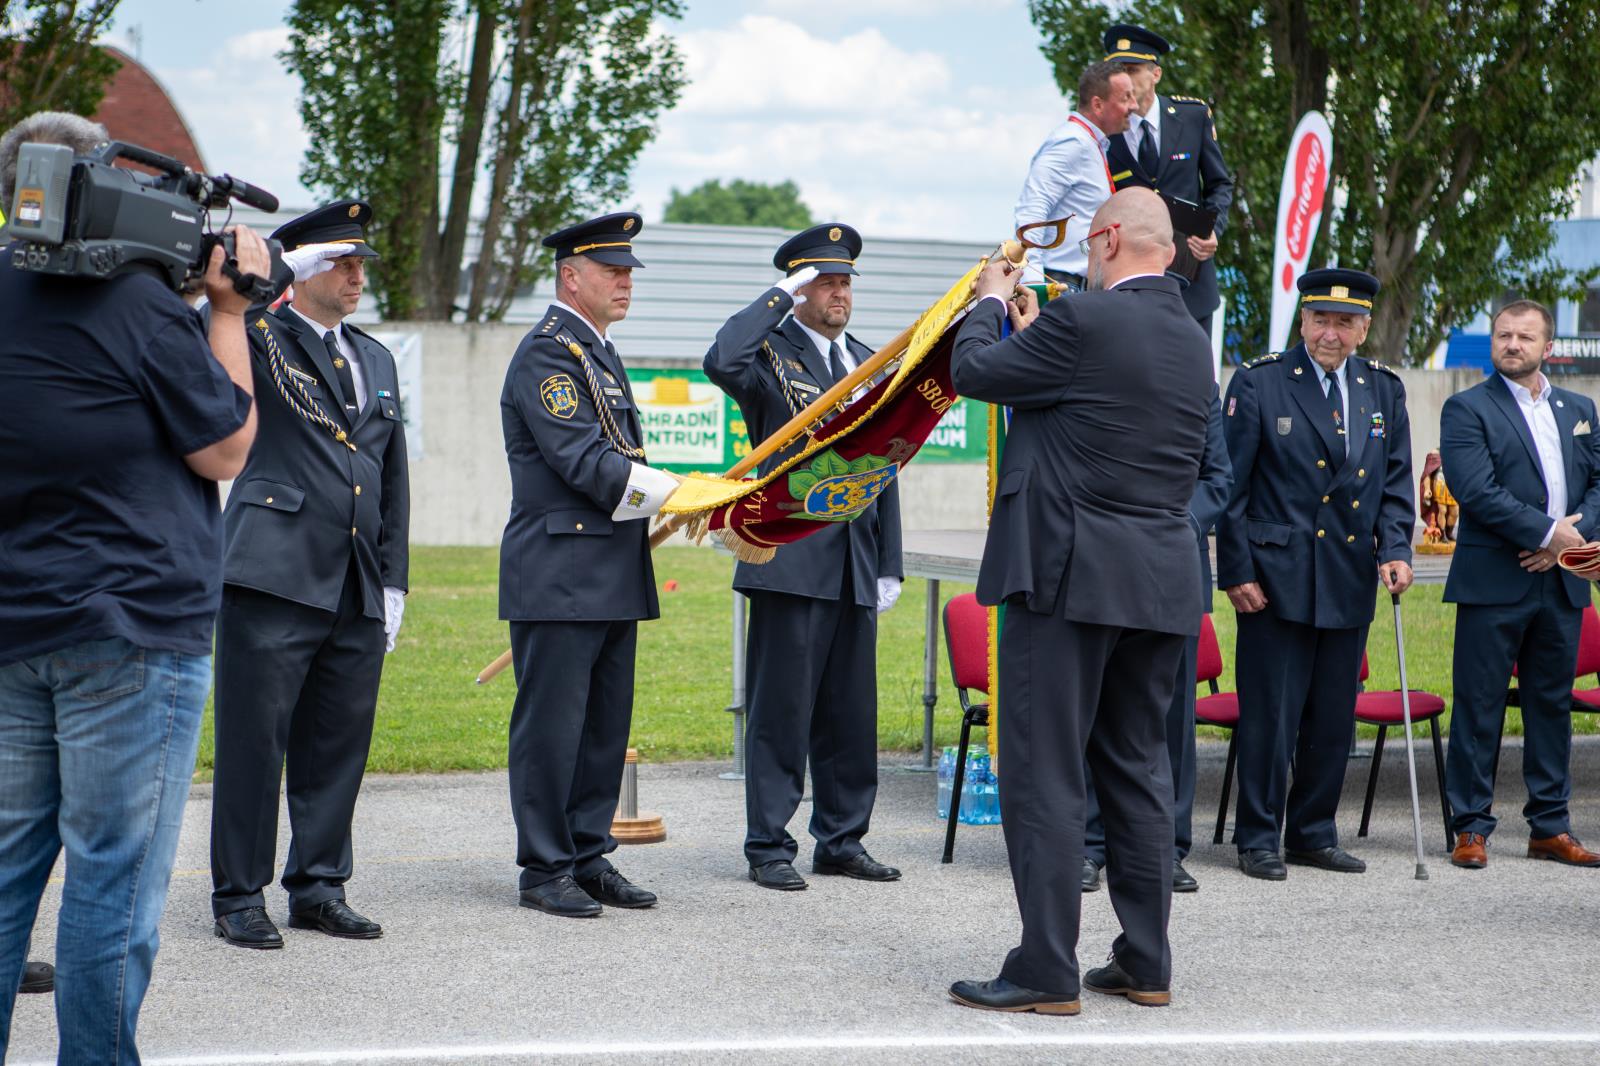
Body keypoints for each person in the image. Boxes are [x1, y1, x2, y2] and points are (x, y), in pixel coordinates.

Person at [0, 110, 261, 1062]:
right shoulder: (138, 304)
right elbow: (226, 443)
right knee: (113, 880)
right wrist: (227, 312)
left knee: (5, 878)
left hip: (15, 628)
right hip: (132, 629)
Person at [947, 188, 1212, 1015]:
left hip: (1066, 578)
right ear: (1166, 250)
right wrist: (1035, 331)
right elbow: (1082, 410)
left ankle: (1045, 968)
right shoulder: (1190, 339)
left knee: (1045, 772)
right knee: (1136, 770)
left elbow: (973, 372)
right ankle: (1145, 960)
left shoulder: (1085, 320)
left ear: (1104, 239)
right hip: (1159, 581)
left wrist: (988, 303)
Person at [210, 201, 412, 948]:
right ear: (309, 269)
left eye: (361, 263)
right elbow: (223, 313)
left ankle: (320, 885)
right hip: (274, 573)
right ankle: (238, 894)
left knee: (337, 744)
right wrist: (281, 268)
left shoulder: (376, 358)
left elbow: (389, 478)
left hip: (354, 579)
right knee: (254, 744)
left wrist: (393, 580)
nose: (358, 275)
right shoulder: (260, 336)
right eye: (344, 262)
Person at [703, 223, 905, 893]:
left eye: (845, 279)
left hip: (853, 561)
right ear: (798, 289)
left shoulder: (872, 361)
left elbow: (885, 466)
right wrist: (775, 299)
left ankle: (843, 839)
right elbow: (719, 361)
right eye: (824, 280)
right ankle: (769, 845)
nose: (840, 291)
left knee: (852, 714)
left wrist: (889, 561)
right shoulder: (769, 354)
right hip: (790, 561)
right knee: (781, 714)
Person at [501, 212, 680, 918]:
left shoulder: (597, 351)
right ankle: (544, 867)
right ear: (570, 277)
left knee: (604, 725)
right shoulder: (549, 353)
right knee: (553, 727)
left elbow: (619, 461)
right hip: (560, 570)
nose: (626, 282)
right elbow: (582, 459)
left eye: (630, 271)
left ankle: (586, 853)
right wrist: (675, 493)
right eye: (613, 271)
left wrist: (669, 496)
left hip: (607, 568)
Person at [1217, 268, 1415, 882]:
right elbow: (1229, 486)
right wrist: (1236, 569)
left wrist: (1398, 547)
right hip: (1275, 578)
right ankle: (1258, 838)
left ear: (1363, 328)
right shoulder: (1261, 383)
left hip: (1348, 574)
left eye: (1345, 322)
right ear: (1303, 321)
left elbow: (1396, 482)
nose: (1332, 333)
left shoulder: (1383, 390)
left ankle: (1312, 832)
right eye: (1321, 320)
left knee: (1332, 716)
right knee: (1271, 717)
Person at [1440, 299, 1600, 869]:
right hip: (1493, 581)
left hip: (1561, 584)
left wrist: (1570, 542)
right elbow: (1475, 490)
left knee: (1551, 705)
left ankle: (1550, 827)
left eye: (1524, 337)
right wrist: (1545, 534)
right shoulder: (1466, 408)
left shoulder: (1580, 408)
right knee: (1479, 706)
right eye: (1503, 334)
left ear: (1548, 348)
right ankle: (1470, 827)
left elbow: (1598, 483)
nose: (1511, 344)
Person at [1082, 378, 1230, 895]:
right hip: (1102, 567)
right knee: (1093, 707)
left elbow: (1218, 477)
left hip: (1173, 570)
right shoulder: (1092, 374)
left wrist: (1172, 523)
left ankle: (1164, 846)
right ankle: (1089, 843)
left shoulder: (1198, 386)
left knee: (1170, 717)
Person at [1101, 23, 1234, 336]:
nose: (1124, 80)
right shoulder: (1104, 133)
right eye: (1116, 71)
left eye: (1132, 69)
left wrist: (1214, 230)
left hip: (1191, 279)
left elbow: (1219, 185)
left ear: (1155, 74)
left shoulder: (1192, 117)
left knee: (1193, 379)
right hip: (1129, 281)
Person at [1014, 61, 1138, 290]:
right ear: (1098, 105)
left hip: (1074, 286)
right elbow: (1033, 208)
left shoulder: (1089, 144)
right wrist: (1034, 288)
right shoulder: (1072, 142)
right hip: (1060, 285)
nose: (1134, 105)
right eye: (1125, 98)